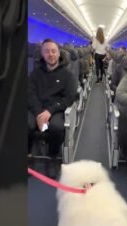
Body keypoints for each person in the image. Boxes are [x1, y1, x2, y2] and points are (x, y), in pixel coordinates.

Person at [28, 39, 77, 178]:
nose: (51, 54)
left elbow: (69, 98)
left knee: (56, 127)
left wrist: (49, 111)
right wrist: (39, 114)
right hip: (37, 108)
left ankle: (52, 157)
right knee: (25, 124)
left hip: (55, 110)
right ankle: (28, 155)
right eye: (47, 51)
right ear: (42, 54)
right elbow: (30, 94)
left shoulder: (68, 76)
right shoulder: (35, 74)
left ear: (59, 53)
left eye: (54, 51)